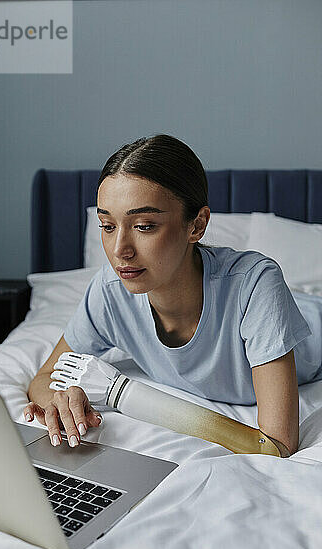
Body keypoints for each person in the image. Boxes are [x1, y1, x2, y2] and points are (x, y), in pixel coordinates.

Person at [26, 134, 317, 457]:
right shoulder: (109, 292)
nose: (120, 250)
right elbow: (45, 377)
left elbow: (276, 446)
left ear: (196, 225)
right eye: (108, 226)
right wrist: (60, 400)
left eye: (145, 225)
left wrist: (123, 393)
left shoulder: (256, 285)